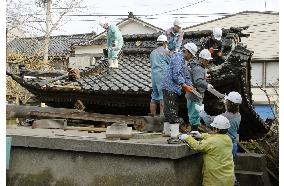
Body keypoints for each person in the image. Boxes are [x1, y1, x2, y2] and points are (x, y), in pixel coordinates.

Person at [195, 91, 242, 185]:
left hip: (224, 145)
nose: (225, 102)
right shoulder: (238, 114)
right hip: (233, 145)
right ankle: (233, 182)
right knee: (228, 167)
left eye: (226, 101)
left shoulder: (226, 116)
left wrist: (201, 111)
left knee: (221, 169)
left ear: (229, 103)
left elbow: (209, 121)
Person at [179, 115, 235, 186]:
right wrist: (201, 135)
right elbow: (215, 137)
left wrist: (187, 138)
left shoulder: (211, 142)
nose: (212, 129)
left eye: (213, 128)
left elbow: (197, 145)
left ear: (217, 129)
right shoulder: (228, 139)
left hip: (214, 181)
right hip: (228, 180)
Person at [161, 43, 196, 143]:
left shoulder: (184, 61)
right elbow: (176, 75)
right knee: (172, 109)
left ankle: (167, 131)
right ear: (186, 52)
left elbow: (186, 76)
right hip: (170, 86)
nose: (191, 57)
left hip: (173, 87)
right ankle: (174, 134)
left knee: (169, 109)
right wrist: (184, 85)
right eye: (191, 55)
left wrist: (189, 84)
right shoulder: (177, 58)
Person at [186, 49, 215, 132]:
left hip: (194, 94)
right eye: (207, 60)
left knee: (195, 114)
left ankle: (195, 132)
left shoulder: (197, 67)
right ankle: (194, 133)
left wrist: (204, 78)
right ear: (202, 59)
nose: (208, 62)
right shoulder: (198, 68)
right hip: (194, 95)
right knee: (194, 115)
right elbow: (198, 81)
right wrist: (207, 85)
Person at [149, 35, 170, 115]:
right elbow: (171, 62)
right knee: (163, 96)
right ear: (164, 43)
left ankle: (152, 117)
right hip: (162, 75)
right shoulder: (165, 51)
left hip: (154, 76)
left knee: (154, 96)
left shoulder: (152, 53)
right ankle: (162, 117)